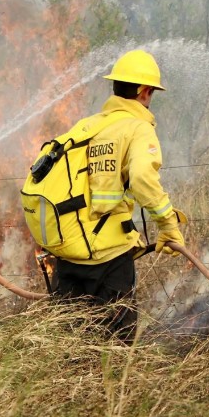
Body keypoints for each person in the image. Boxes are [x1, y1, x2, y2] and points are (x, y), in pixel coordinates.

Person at [52, 49, 186, 344]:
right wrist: (168, 225)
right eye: (151, 92)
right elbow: (142, 178)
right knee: (115, 343)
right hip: (108, 258)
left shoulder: (86, 126)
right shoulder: (138, 128)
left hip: (68, 252)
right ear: (144, 91)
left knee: (66, 343)